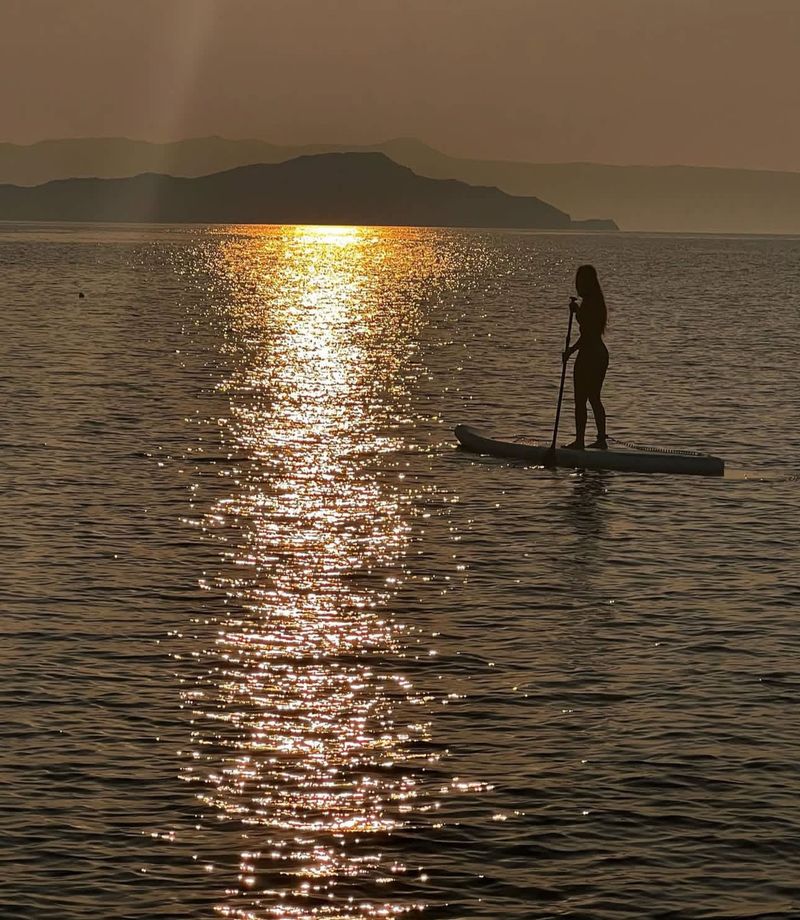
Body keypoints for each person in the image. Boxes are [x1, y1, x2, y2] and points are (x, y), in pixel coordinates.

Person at [562, 264, 609, 449]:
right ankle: (598, 439)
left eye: (581, 280)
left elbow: (588, 334)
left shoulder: (591, 304)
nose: (578, 284)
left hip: (591, 355)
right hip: (596, 354)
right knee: (591, 398)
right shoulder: (594, 302)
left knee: (584, 399)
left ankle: (585, 440)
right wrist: (576, 312)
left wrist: (570, 351)